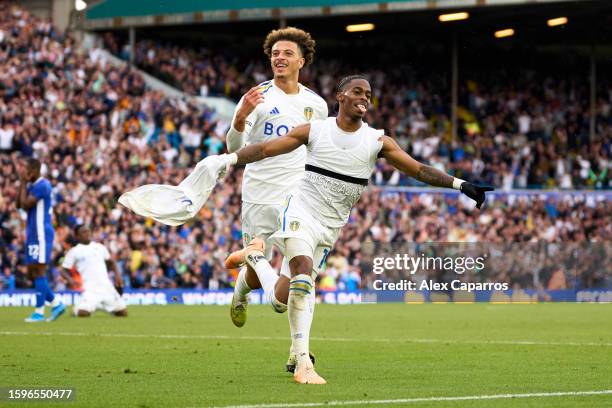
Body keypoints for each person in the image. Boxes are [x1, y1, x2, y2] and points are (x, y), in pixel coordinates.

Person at [221, 75, 493, 384]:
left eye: (369, 94)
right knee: (301, 277)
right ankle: (302, 362)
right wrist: (228, 159)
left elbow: (419, 169)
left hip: (329, 227)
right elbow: (266, 149)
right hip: (299, 211)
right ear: (340, 95)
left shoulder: (376, 141)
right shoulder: (316, 130)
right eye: (357, 91)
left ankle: (254, 261)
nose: (364, 97)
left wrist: (461, 184)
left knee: (280, 301)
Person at [225, 27, 327, 348]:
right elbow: (234, 148)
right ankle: (242, 290)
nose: (279, 58)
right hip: (260, 194)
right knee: (257, 274)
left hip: (298, 198)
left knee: (297, 281)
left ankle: (301, 354)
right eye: (275, 54)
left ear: (302, 60)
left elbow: (319, 151)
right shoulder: (257, 97)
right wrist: (240, 117)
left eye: (286, 54)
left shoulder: (317, 105)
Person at [17, 158, 65, 322]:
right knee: (32, 272)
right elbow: (18, 203)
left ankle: (39, 311)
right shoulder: (31, 185)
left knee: (39, 270)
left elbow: (25, 205)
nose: (25, 173)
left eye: (27, 170)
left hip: (41, 234)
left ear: (35, 170)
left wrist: (23, 183)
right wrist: (22, 183)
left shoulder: (43, 185)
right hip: (32, 233)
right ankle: (56, 303)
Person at [60, 225, 127, 317]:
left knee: (122, 313)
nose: (87, 234)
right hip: (90, 289)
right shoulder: (74, 251)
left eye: (88, 231)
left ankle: (99, 305)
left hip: (106, 287)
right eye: (83, 232)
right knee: (83, 314)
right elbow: (63, 270)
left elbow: (111, 262)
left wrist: (118, 276)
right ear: (77, 236)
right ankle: (76, 310)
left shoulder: (100, 247)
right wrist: (71, 280)